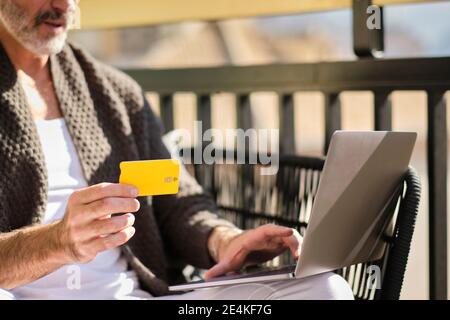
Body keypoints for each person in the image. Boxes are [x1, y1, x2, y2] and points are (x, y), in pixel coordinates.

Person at [0, 0, 354, 300]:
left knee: (325, 289)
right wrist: (57, 242)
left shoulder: (115, 94)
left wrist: (224, 241)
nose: (62, 5)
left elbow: (177, 201)